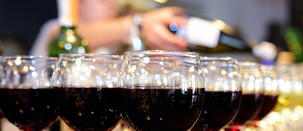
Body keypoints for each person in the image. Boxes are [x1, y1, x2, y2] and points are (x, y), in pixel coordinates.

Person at [30, 0, 188, 55]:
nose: (112, 5)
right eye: (103, 0)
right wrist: (140, 24)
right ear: (79, 3)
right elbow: (74, 38)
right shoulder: (55, 30)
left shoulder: (112, 45)